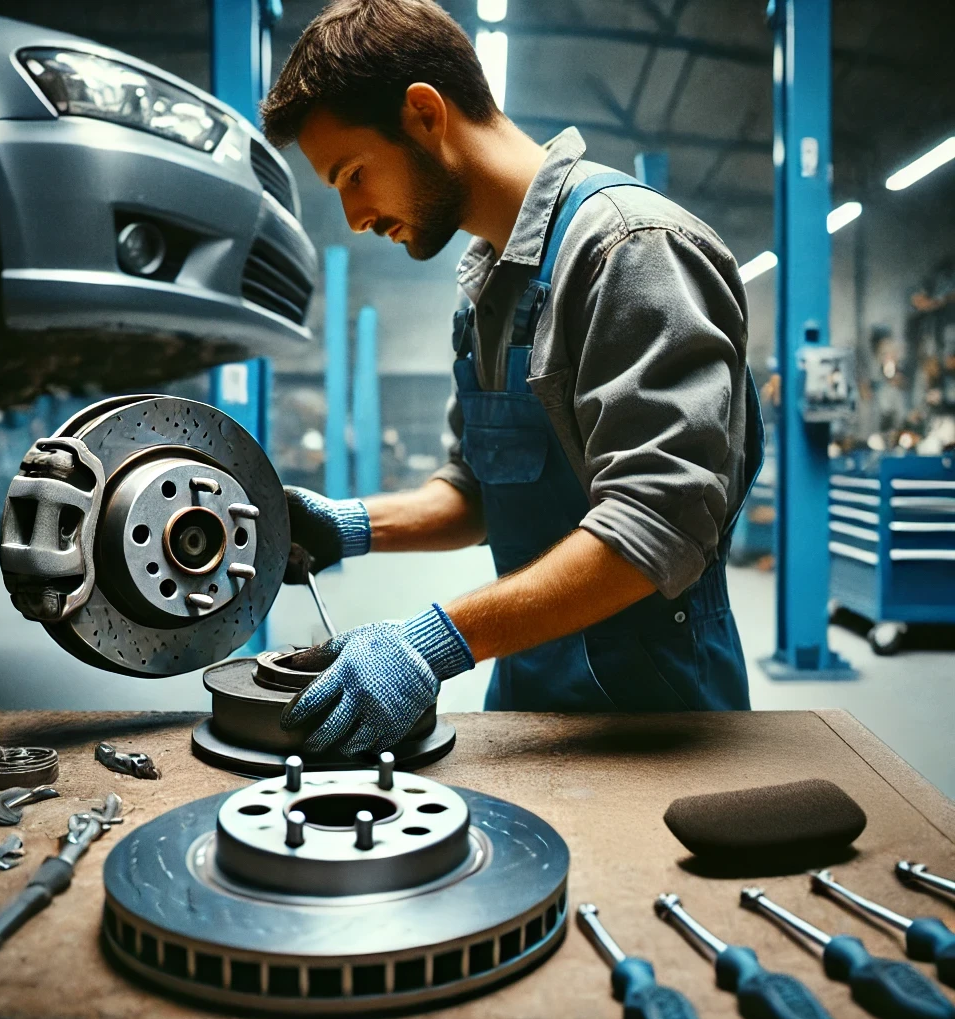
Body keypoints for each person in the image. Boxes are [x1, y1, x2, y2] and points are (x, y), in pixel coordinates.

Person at [260, 0, 763, 757]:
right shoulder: (487, 294)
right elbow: (477, 492)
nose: (355, 215)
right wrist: (350, 525)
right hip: (529, 704)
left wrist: (433, 643)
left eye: (353, 174)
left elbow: (656, 526)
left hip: (656, 716)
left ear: (425, 114)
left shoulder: (627, 249)